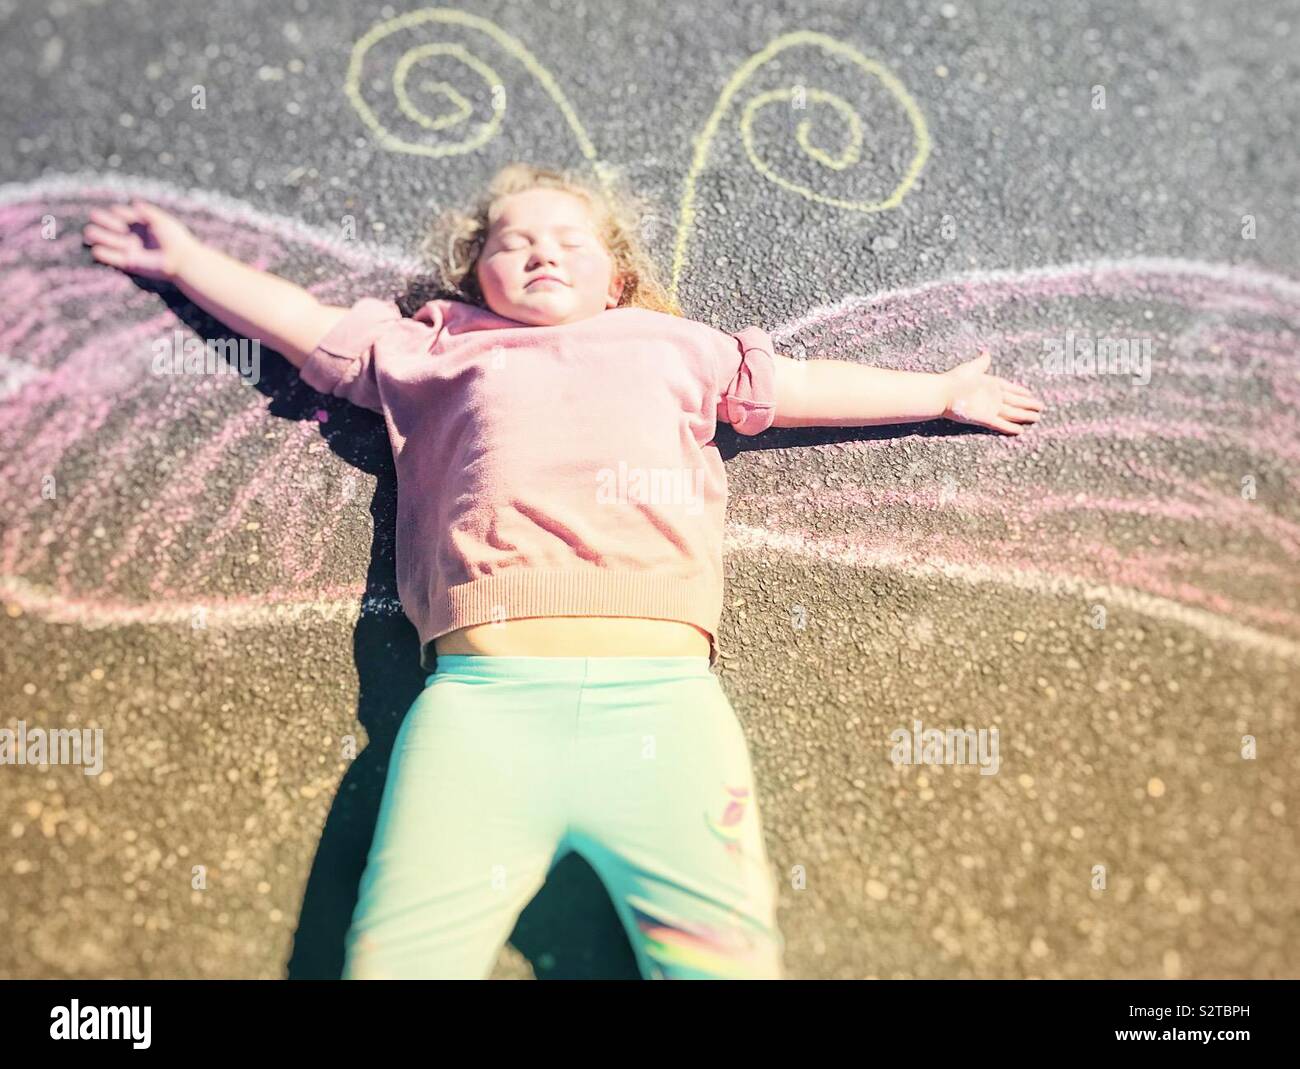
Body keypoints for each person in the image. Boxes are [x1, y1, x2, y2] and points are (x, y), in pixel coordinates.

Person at [81, 162, 1043, 979]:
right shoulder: (436, 347)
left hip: (665, 715)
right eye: (513, 241)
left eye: (570, 241)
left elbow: (796, 385)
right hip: (480, 715)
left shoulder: (677, 347)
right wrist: (186, 261)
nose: (542, 251)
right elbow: (305, 325)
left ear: (618, 276)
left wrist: (943, 393)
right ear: (473, 273)